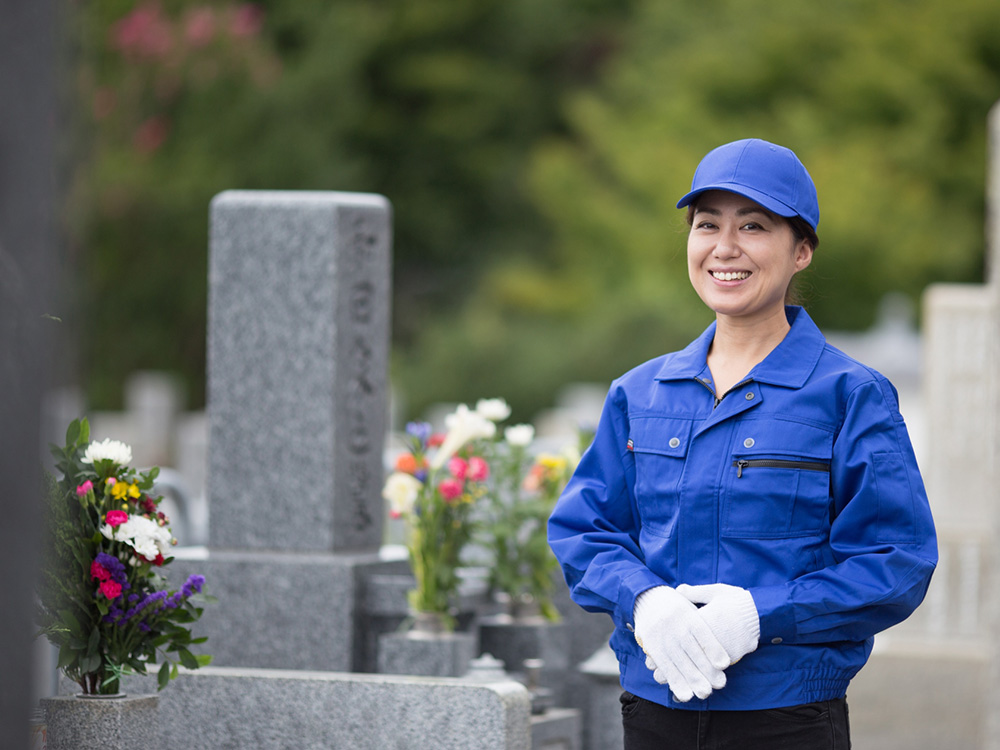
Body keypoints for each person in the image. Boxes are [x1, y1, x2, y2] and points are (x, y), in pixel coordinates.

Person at [547, 138, 937, 749]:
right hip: (654, 710)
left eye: (753, 226)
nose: (724, 248)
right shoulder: (641, 392)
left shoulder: (850, 395)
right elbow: (583, 529)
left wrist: (762, 616)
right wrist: (645, 602)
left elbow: (896, 561)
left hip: (787, 720)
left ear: (801, 250)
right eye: (708, 226)